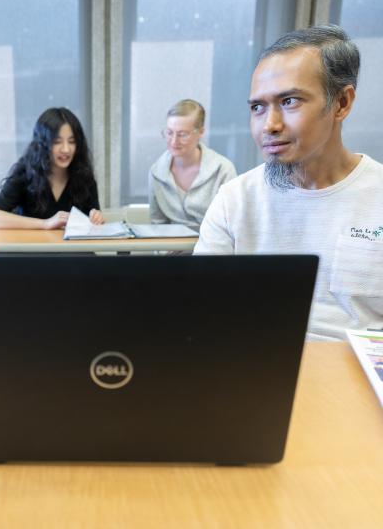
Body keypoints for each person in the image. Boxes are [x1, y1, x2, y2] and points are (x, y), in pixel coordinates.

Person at [195, 24, 383, 341]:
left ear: (341, 103)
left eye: (290, 101)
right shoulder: (234, 200)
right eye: (257, 107)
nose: (269, 125)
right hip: (256, 366)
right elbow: (197, 308)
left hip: (358, 374)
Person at [0, 107, 104, 229]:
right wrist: (46, 224)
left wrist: (96, 218)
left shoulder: (84, 176)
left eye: (72, 142)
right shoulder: (25, 172)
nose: (66, 149)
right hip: (31, 247)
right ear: (43, 143)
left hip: (70, 248)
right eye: (57, 142)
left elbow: (93, 222)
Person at [148, 99, 237, 231]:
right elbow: (157, 225)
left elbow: (231, 225)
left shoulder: (223, 170)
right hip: (171, 249)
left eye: (182, 134)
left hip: (213, 248)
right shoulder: (156, 172)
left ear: (201, 132)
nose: (173, 141)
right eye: (169, 132)